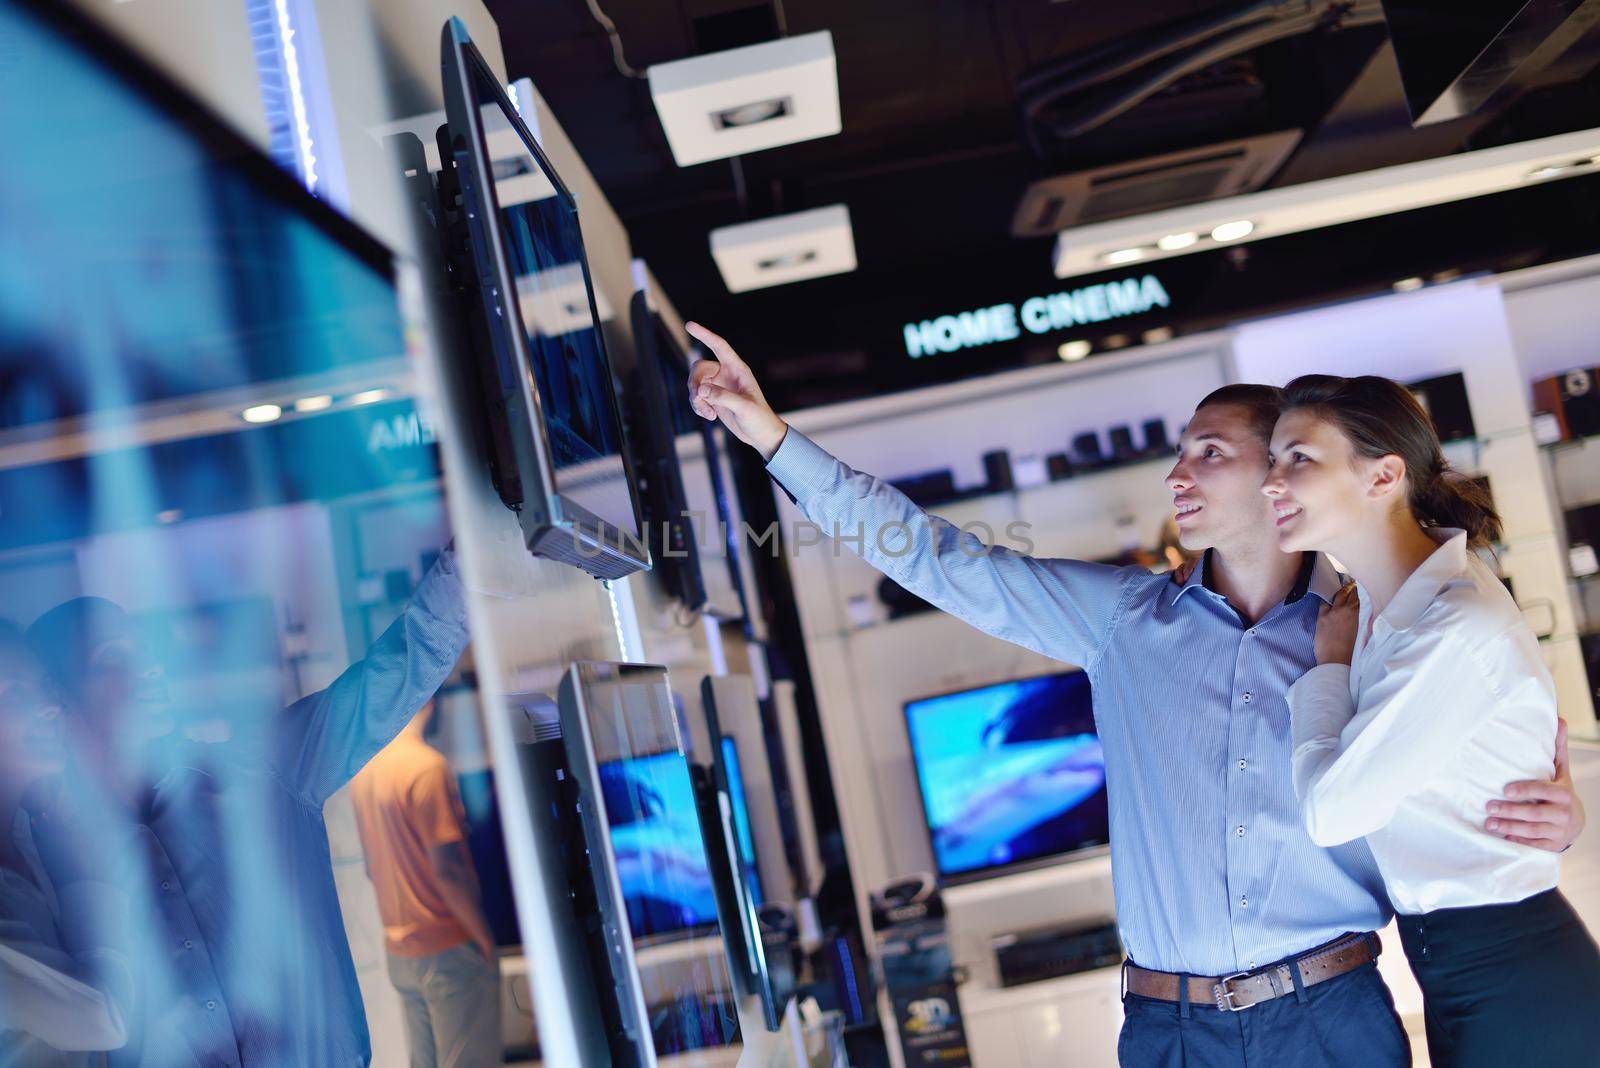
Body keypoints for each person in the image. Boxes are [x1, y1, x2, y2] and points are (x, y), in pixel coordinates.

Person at [680, 321, 1585, 1066]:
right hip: (1168, 1028)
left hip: (1331, 1017)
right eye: (1180, 452)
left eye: (1208, 450)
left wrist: (1559, 809)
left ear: (1278, 472)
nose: (1177, 475)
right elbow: (934, 559)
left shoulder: (1369, 631)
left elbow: (1473, 724)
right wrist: (770, 437)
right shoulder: (1119, 619)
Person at [1262, 373, 1600, 1065]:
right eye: (1272, 461)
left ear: (1384, 475)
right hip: (1460, 969)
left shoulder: (1453, 626)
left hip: (1514, 974)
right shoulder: (1380, 608)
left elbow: (1331, 812)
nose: (1272, 482)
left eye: (1299, 458)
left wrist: (1326, 673)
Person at [23, 548, 471, 1067]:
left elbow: (393, 673)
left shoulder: (265, 770)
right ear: (59, 701)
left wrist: (471, 560)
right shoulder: (51, 856)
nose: (148, 670)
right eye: (109, 660)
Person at [0, 622, 131, 1065]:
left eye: (44, 688)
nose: (50, 707)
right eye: (16, 693)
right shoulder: (53, 843)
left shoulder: (31, 835)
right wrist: (74, 865)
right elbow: (101, 1020)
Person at [350, 699, 501, 1068]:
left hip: (400, 952)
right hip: (447, 947)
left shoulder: (366, 770)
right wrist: (482, 937)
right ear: (429, 702)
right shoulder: (426, 767)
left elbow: (372, 868)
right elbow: (447, 870)